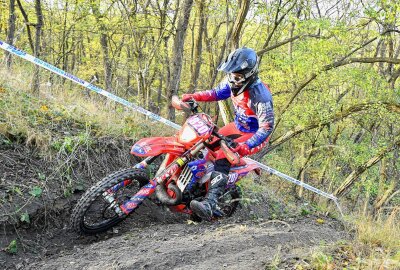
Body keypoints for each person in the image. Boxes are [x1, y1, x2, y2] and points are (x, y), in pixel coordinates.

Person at [181, 47, 274, 221]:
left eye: (237, 76)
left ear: (250, 74)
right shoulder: (233, 82)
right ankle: (196, 185)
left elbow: (267, 127)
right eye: (231, 74)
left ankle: (210, 203)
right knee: (206, 140)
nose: (233, 79)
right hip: (237, 126)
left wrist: (246, 146)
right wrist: (194, 96)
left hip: (255, 134)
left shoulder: (260, 96)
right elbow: (216, 93)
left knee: (224, 154)